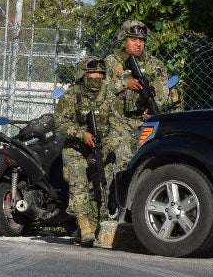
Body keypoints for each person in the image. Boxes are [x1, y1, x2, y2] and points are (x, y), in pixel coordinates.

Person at [55, 57, 118, 247]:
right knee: (79, 186)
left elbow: (117, 128)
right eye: (92, 73)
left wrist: (104, 150)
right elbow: (59, 122)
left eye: (100, 73)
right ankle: (84, 228)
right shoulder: (72, 95)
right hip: (76, 149)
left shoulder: (110, 95)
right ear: (84, 74)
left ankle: (95, 227)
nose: (96, 77)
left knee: (100, 188)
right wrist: (81, 134)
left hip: (102, 148)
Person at [104, 20, 170, 176]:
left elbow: (163, 93)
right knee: (117, 170)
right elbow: (99, 89)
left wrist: (153, 109)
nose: (138, 44)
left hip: (145, 124)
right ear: (124, 40)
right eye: (133, 39)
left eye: (141, 40)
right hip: (116, 126)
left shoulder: (155, 65)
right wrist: (125, 83)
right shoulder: (110, 63)